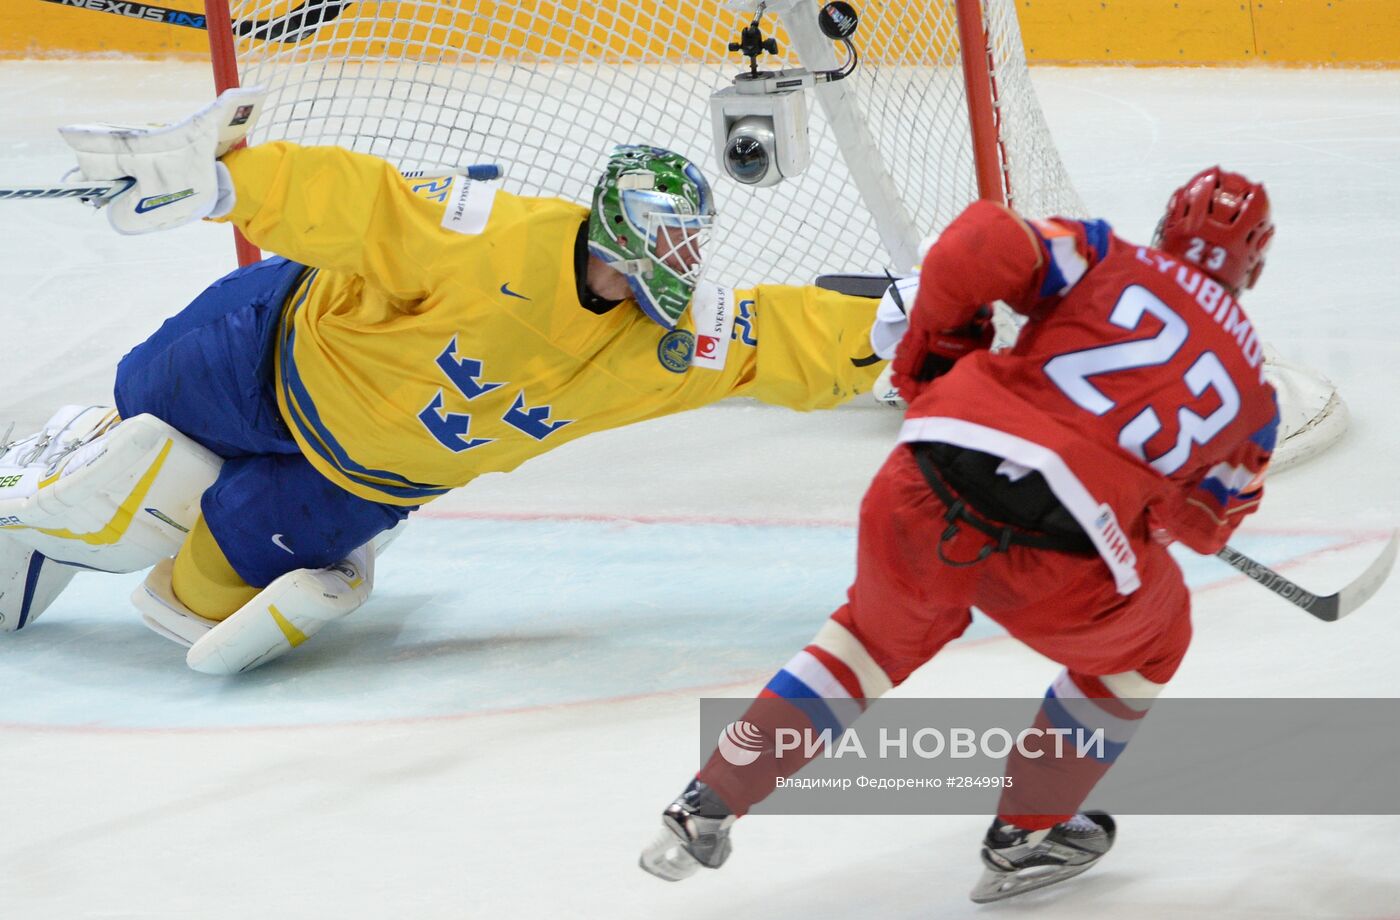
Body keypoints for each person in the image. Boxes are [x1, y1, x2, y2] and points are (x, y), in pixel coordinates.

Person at [0, 88, 889, 674]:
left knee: (189, 612)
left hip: (357, 478)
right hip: (264, 347)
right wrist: (233, 185)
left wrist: (907, 328)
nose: (675, 267)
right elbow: (363, 201)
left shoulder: (662, 345)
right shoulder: (490, 238)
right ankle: (60, 501)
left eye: (687, 246)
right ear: (614, 228)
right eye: (660, 243)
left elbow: (775, 336)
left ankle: (301, 539)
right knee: (136, 411)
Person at [640, 167, 1279, 902]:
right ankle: (1027, 834)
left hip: (930, 475)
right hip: (1063, 557)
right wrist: (1153, 503)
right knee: (1155, 644)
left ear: (1168, 225)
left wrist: (938, 347)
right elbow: (1203, 527)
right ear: (1253, 264)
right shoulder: (1255, 396)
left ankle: (707, 802)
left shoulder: (1105, 254)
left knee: (864, 645)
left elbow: (978, 239)